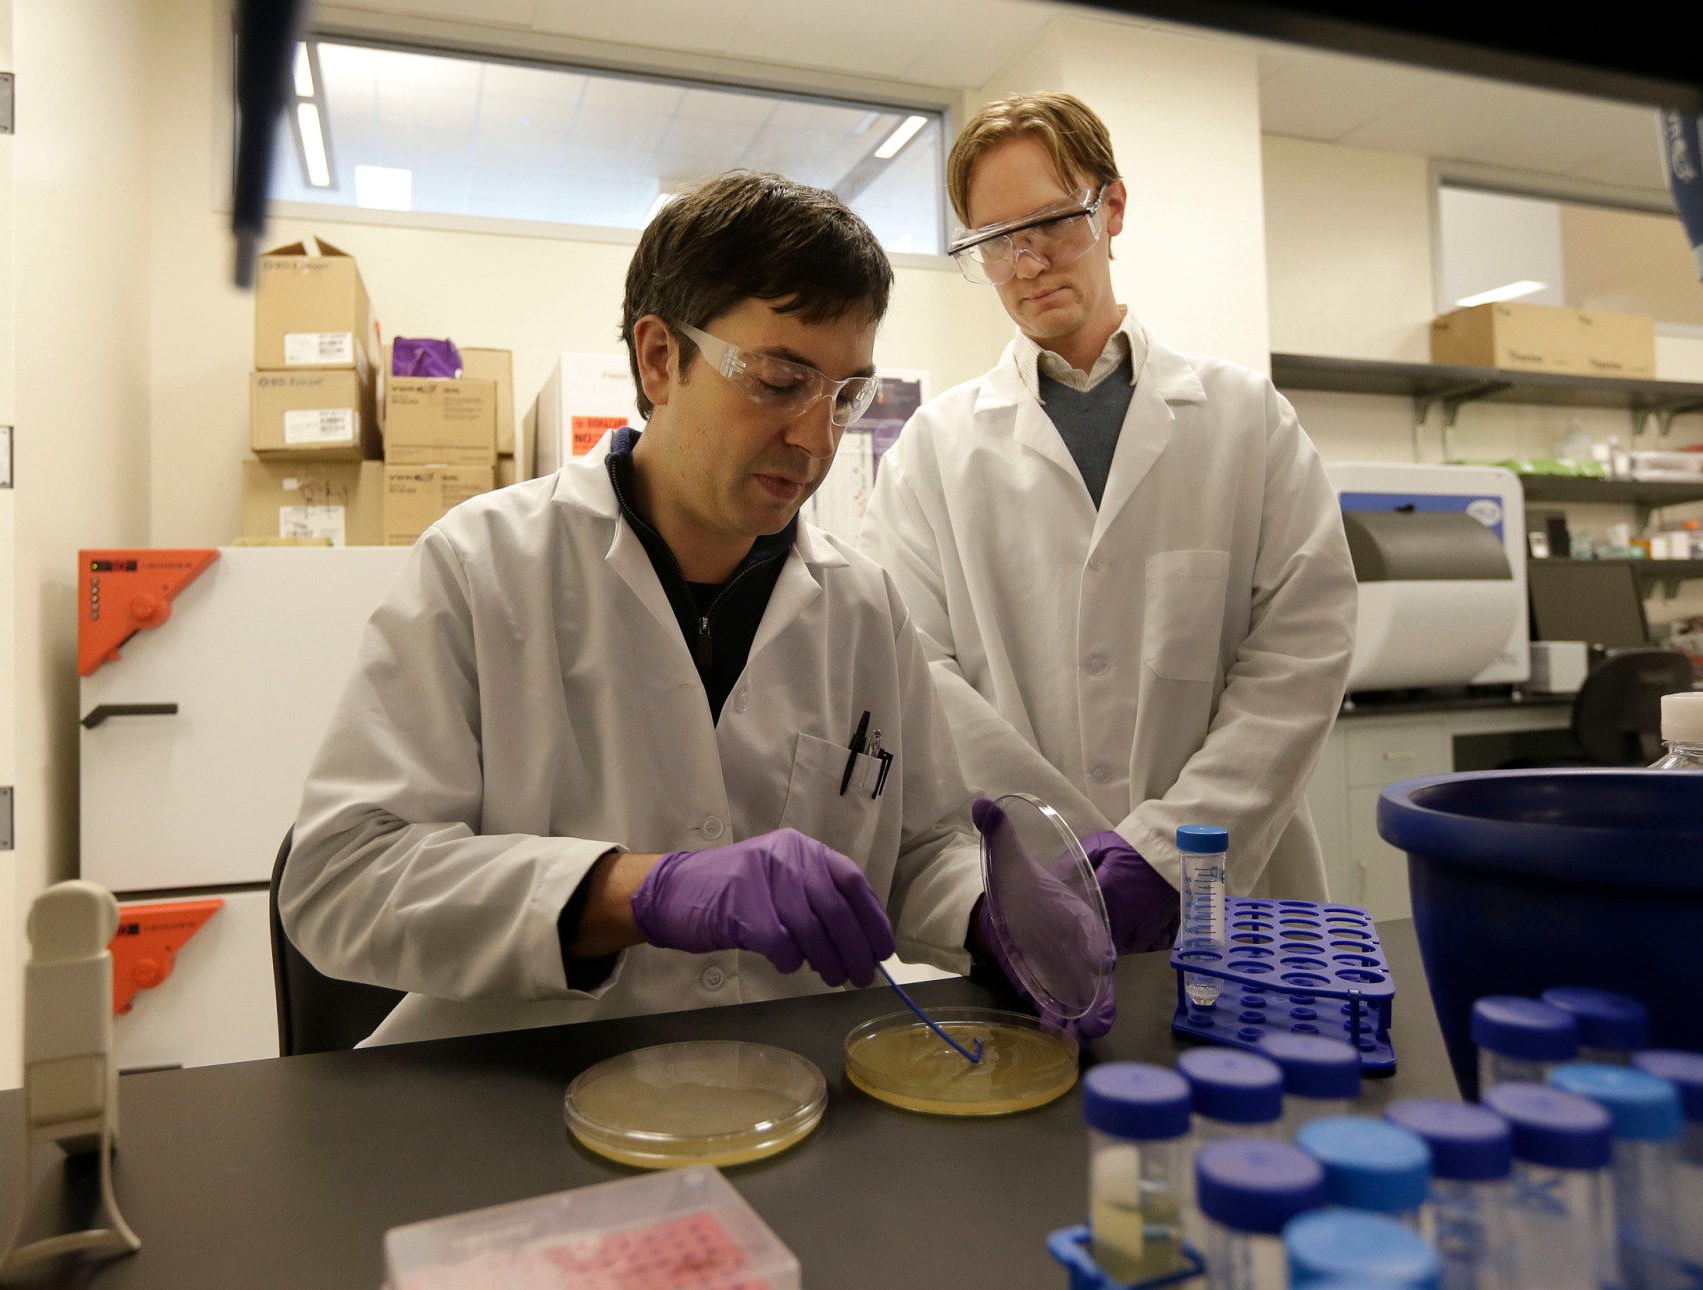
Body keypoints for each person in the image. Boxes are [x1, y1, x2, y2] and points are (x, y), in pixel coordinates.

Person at [280, 171, 993, 1046]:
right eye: (779, 380)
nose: (817, 439)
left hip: (788, 1086)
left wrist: (998, 907)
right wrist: (634, 894)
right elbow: (341, 878)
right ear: (660, 359)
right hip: (527, 1095)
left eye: (846, 396)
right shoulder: (485, 565)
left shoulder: (862, 604)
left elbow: (919, 850)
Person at [856, 93, 1357, 944]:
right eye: (993, 241)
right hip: (1029, 896)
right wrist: (1062, 855)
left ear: (1112, 207)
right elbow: (918, 678)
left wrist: (1167, 856)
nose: (1027, 262)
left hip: (1236, 901)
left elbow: (1300, 652)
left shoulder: (1246, 419)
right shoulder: (932, 452)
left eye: (1053, 221)